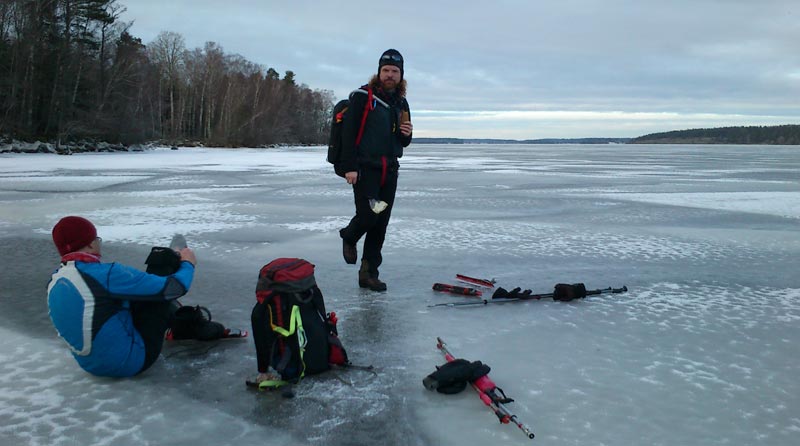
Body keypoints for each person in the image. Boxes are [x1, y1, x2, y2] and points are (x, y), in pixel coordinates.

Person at [47, 216, 196, 377]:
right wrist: (188, 263)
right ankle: (173, 256)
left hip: (90, 365)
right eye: (97, 239)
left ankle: (174, 314)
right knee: (158, 285)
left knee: (128, 294)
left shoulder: (55, 281)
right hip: (131, 362)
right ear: (90, 244)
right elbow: (174, 288)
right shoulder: (106, 274)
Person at [337, 49, 413, 291]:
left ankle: (369, 274)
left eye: (394, 71)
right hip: (365, 168)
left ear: (401, 75)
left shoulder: (401, 102)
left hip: (389, 170)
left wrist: (407, 135)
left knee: (380, 225)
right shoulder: (362, 96)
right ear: (379, 72)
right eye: (386, 70)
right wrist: (349, 167)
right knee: (369, 216)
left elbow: (403, 141)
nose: (390, 75)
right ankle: (349, 235)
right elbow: (348, 134)